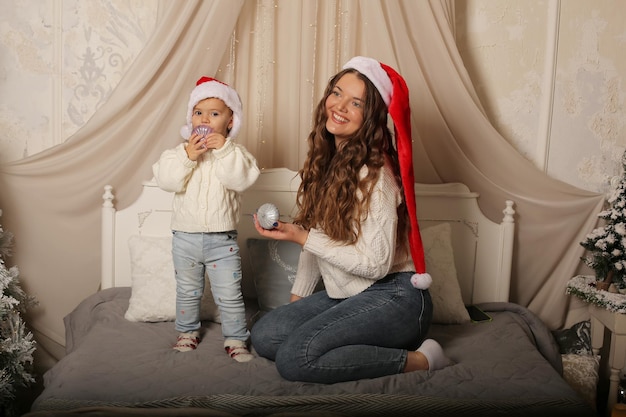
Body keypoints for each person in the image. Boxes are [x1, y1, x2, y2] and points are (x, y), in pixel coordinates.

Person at [250, 56, 450, 383]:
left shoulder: (377, 178)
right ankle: (350, 338)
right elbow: (315, 245)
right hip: (349, 293)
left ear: (370, 117)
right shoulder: (328, 163)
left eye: (355, 102)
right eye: (337, 92)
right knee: (266, 334)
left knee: (294, 359)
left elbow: (375, 264)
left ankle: (423, 358)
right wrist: (295, 308)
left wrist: (302, 237)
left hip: (397, 297)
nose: (339, 106)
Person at [153, 76, 260, 361]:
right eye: (199, 112)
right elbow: (167, 180)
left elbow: (240, 179)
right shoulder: (179, 153)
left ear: (230, 121)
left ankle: (236, 338)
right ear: (190, 118)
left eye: (214, 113)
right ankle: (187, 332)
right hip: (184, 239)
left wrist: (223, 149)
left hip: (221, 240)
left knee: (230, 294)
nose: (205, 118)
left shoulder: (235, 154)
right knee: (188, 291)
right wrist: (189, 155)